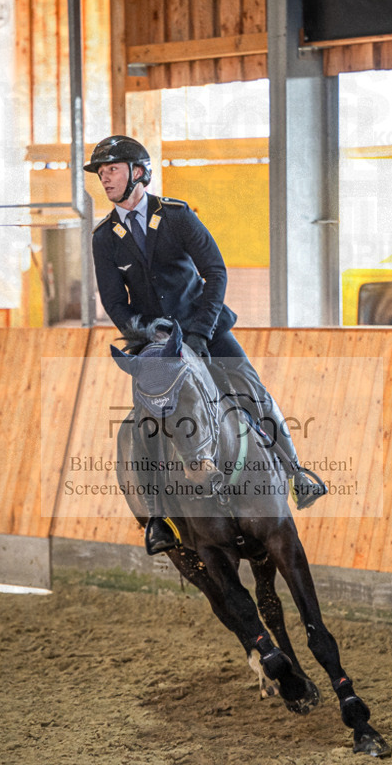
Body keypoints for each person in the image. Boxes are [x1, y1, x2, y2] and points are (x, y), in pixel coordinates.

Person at [84, 134, 327, 554]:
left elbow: (215, 271)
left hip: (205, 328)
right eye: (101, 173)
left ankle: (296, 472)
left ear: (137, 172)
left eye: (112, 170)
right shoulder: (104, 237)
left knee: (253, 390)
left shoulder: (176, 217)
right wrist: (147, 339)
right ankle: (158, 518)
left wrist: (198, 331)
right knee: (142, 423)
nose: (104, 179)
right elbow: (113, 301)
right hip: (156, 345)